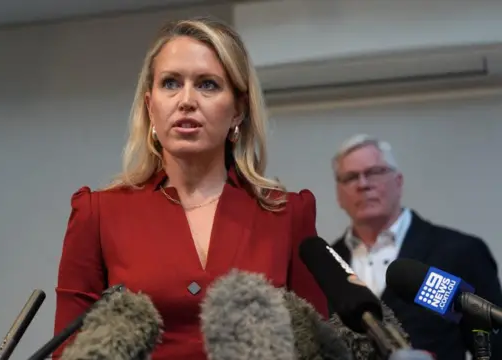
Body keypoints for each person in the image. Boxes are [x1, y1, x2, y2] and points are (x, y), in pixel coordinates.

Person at [52, 17, 328, 360]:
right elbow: (69, 352)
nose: (186, 100)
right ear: (150, 106)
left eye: (208, 85)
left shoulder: (287, 214)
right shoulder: (98, 214)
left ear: (238, 109)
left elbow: (317, 346)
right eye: (171, 83)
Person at [330, 133, 502, 360]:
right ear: (339, 195)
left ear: (398, 182)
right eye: (351, 177)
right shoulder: (326, 264)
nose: (363, 184)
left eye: (375, 172)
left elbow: (494, 349)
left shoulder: (458, 252)